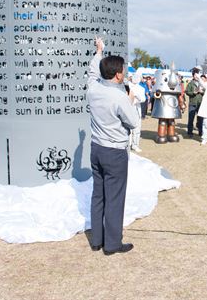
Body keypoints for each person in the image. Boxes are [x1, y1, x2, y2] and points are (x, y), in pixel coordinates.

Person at [87, 37, 139, 255]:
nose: (125, 73)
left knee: (98, 194)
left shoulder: (92, 88)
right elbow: (134, 122)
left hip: (96, 148)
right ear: (118, 74)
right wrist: (131, 100)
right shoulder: (119, 97)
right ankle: (112, 243)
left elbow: (91, 71)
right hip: (115, 151)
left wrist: (99, 51)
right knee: (115, 197)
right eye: (124, 71)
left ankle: (96, 239)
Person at [127, 74, 146, 153]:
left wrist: (136, 97)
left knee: (137, 128)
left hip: (136, 109)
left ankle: (135, 145)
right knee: (127, 128)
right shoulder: (127, 86)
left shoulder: (141, 88)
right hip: (127, 109)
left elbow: (143, 99)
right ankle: (128, 144)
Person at [185, 68, 204, 139]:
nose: (197, 76)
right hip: (192, 103)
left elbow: (206, 92)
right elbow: (187, 92)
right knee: (191, 119)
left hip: (200, 103)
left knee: (200, 119)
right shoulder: (190, 83)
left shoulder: (201, 83)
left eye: (197, 75)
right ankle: (190, 132)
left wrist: (202, 92)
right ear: (193, 76)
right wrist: (193, 93)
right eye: (195, 75)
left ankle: (200, 132)